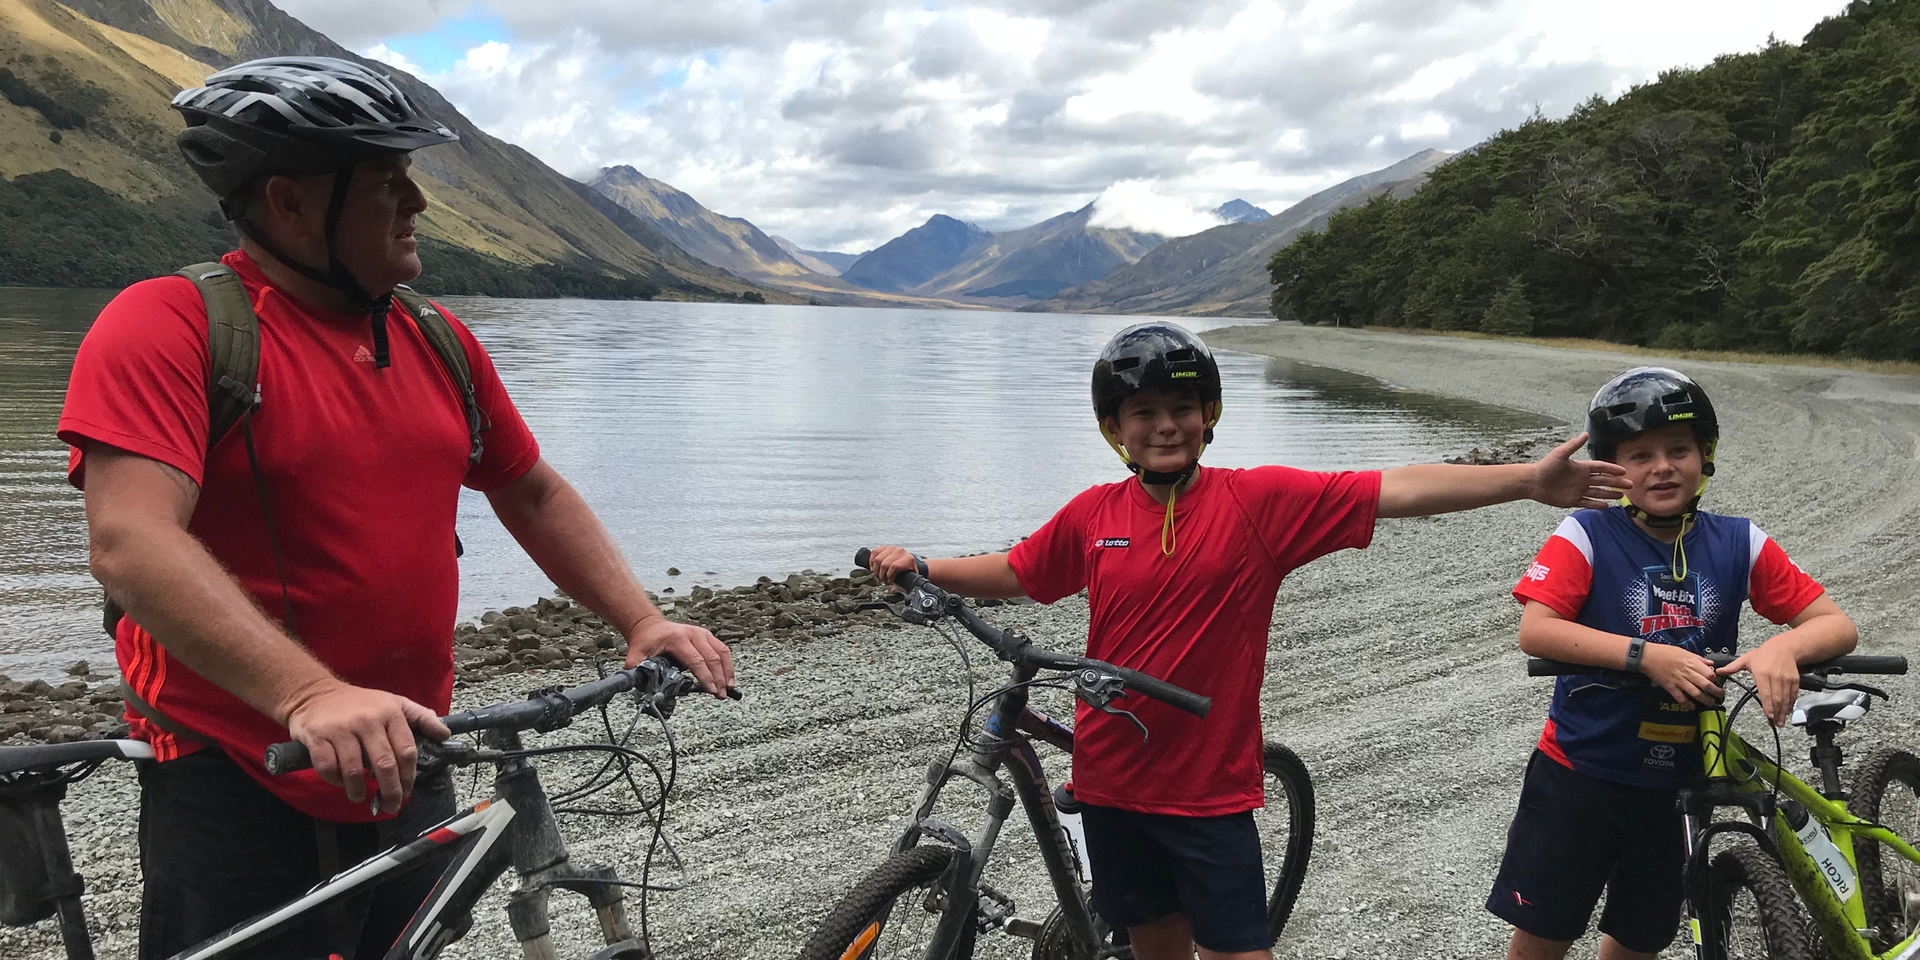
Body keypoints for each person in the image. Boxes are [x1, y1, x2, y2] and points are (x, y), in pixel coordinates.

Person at [58, 56, 734, 959]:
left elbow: (528, 488)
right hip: (240, 768)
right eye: (385, 183)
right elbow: (132, 541)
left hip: (410, 748)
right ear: (291, 203)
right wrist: (307, 695)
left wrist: (641, 618)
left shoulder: (436, 337)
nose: (416, 202)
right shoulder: (169, 325)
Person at [865, 321, 1631, 960]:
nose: (1165, 423)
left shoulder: (1258, 502)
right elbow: (1020, 571)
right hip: (1110, 779)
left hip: (1207, 789)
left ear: (1209, 415)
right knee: (1152, 939)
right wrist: (926, 565)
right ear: (1114, 429)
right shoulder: (1095, 512)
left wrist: (1527, 481)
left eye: (1182, 406)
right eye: (1142, 411)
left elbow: (1390, 489)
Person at [1486, 366, 1857, 960]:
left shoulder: (1740, 540)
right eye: (1640, 454)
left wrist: (1782, 645)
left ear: (1704, 455)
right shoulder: (1587, 531)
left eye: (1679, 449)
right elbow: (1538, 629)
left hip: (1682, 778)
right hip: (1582, 769)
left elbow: (1835, 624)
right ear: (1612, 468)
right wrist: (1645, 656)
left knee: (1642, 935)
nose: (1662, 466)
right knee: (1545, 932)